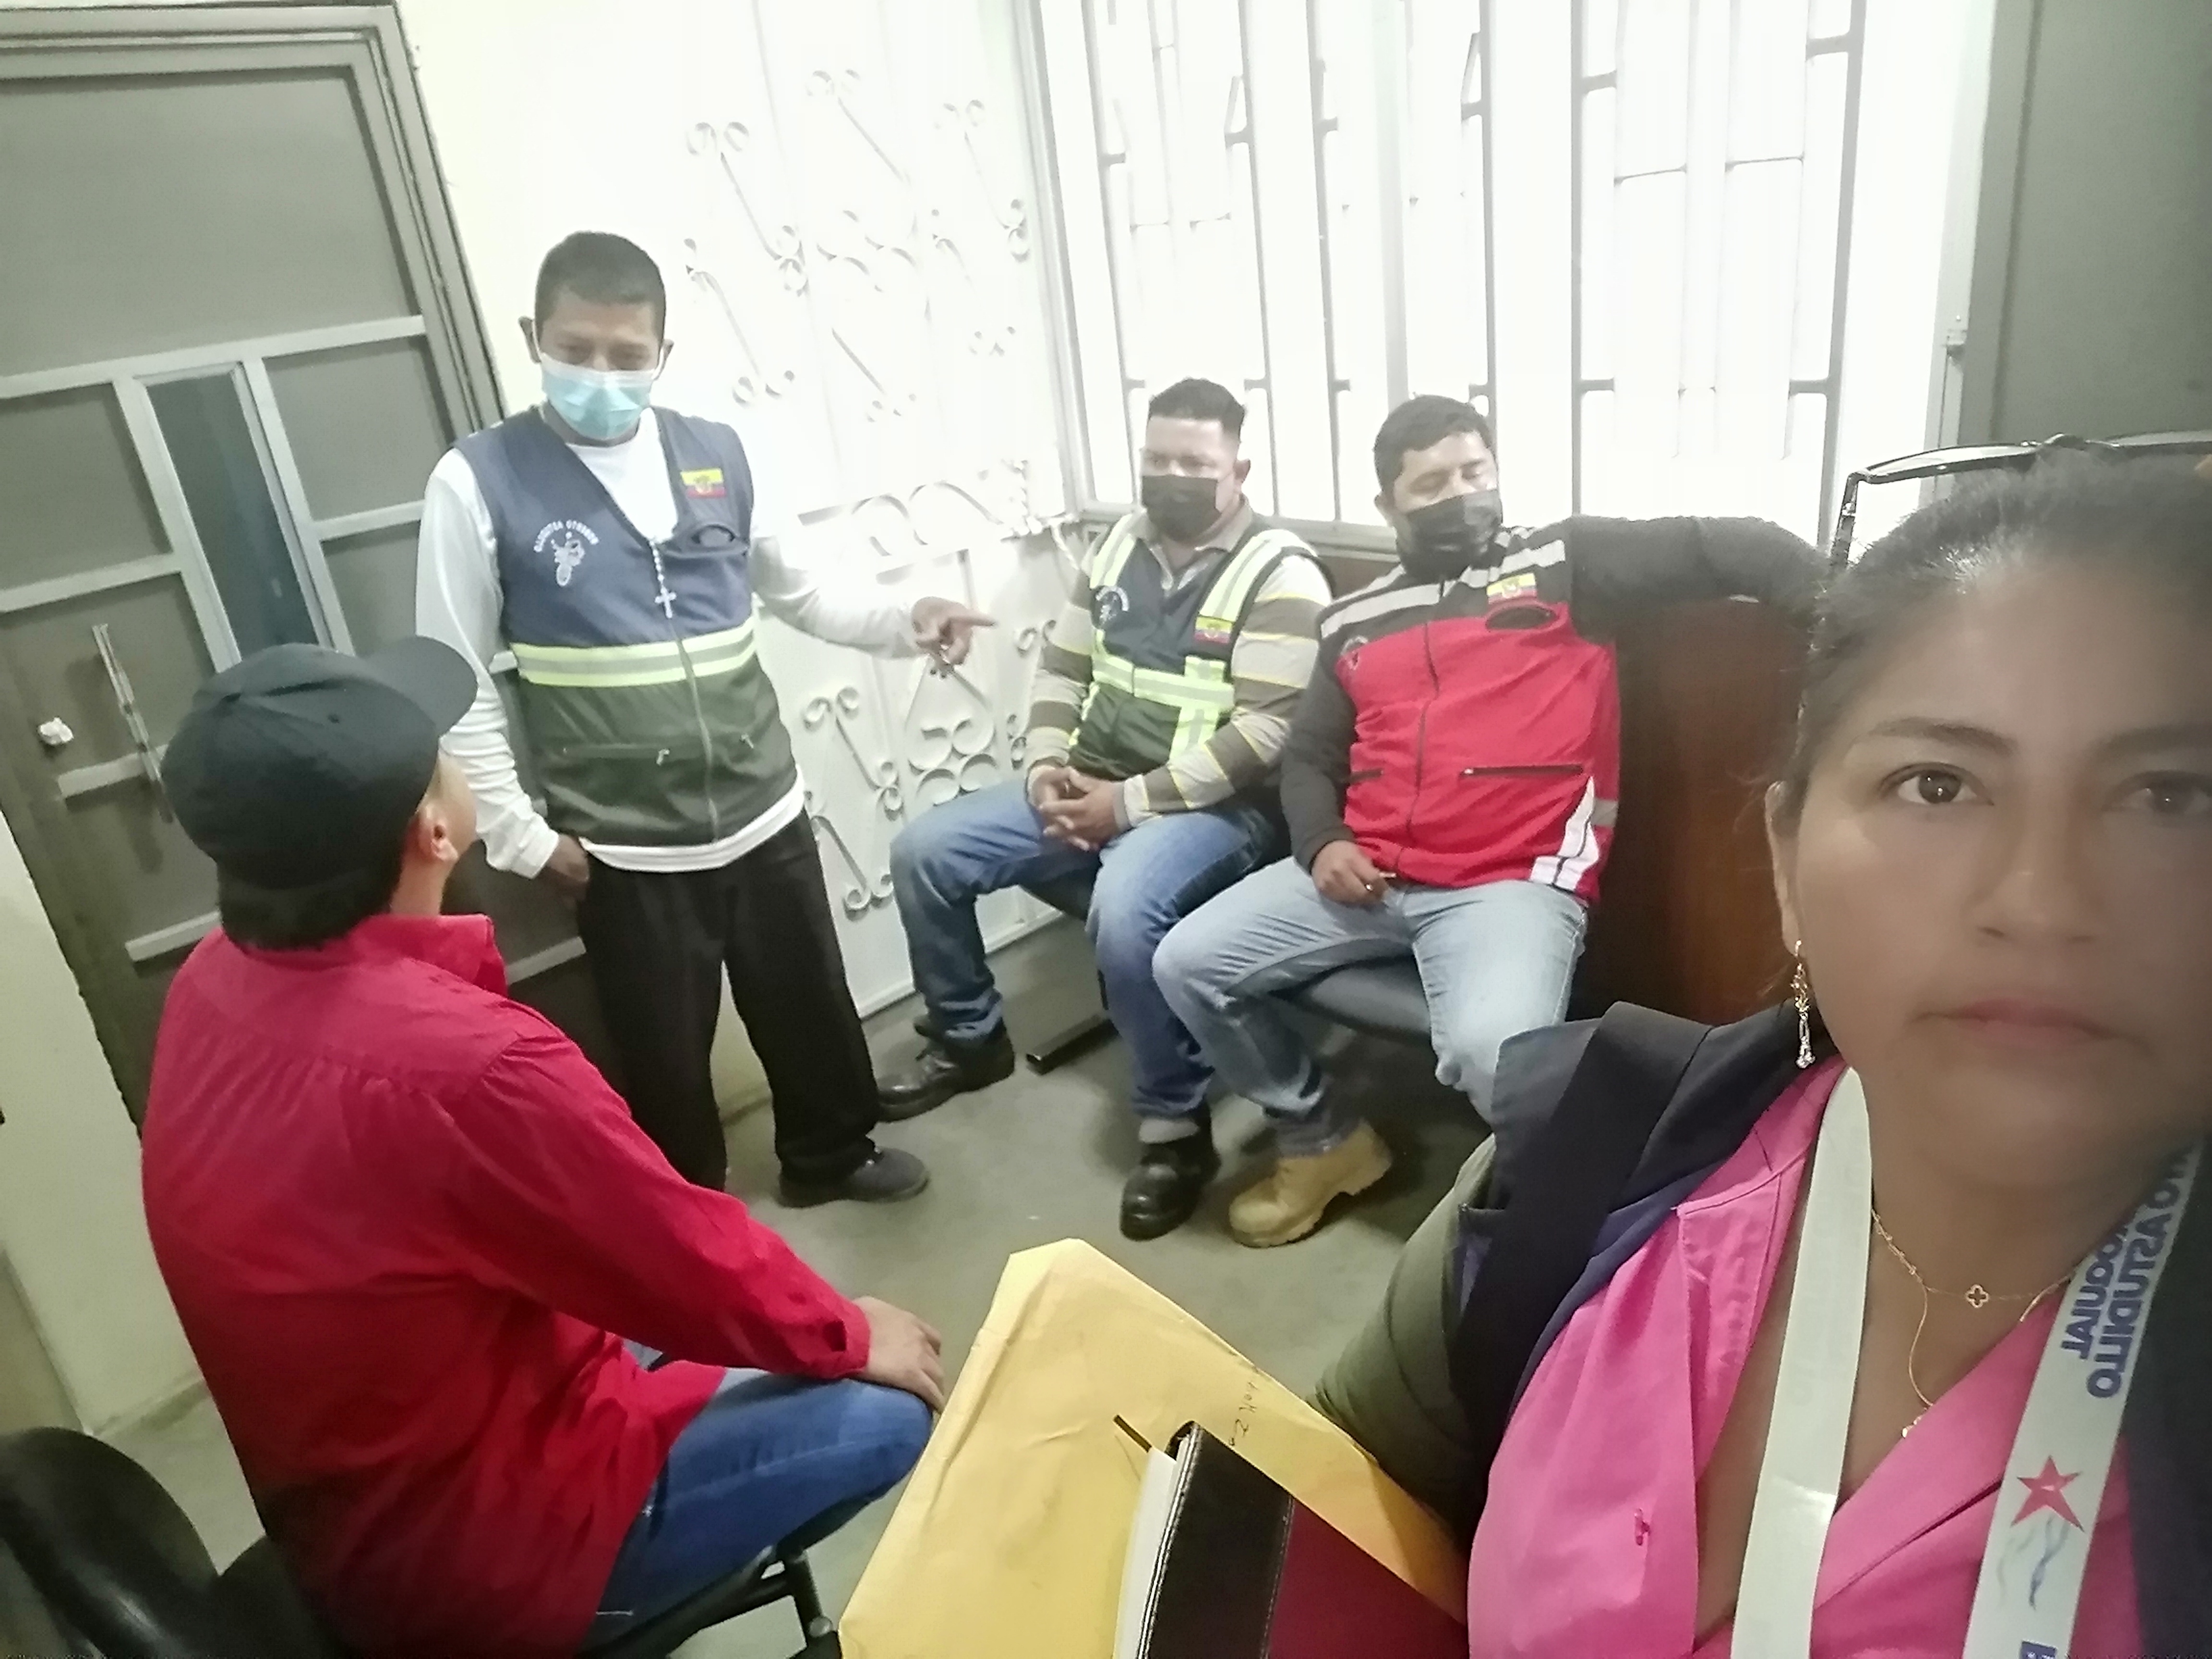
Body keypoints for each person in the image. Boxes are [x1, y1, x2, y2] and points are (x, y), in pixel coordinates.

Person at [1313, 457, 2212, 1657]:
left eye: (2170, 798)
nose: (2042, 902)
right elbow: (1320, 1521)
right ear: (1786, 861)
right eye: (1937, 784)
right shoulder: (1589, 1156)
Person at [139, 639, 945, 1659]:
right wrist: (850, 1334)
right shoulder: (465, 1068)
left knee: (708, 1311)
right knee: (884, 1410)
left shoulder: (212, 977)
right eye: (445, 751)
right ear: (435, 829)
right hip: (478, 1552)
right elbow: (676, 1252)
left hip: (357, 1484)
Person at [1155, 395, 1822, 1246]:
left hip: (1508, 882)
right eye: (1432, 484)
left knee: (1494, 1055)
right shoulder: (1352, 620)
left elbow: (1725, 545)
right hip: (1367, 875)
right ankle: (1323, 1141)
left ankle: (1561, 1232)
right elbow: (1310, 757)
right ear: (1388, 506)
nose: (1461, 495)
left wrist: (1847, 618)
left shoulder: (1566, 562)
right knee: (1186, 961)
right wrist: (1323, 843)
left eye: (1475, 472)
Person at [417, 230, 991, 1200]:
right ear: (533, 338)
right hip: (624, 844)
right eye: (577, 350)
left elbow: (805, 592)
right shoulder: (478, 480)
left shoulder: (719, 455)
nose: (602, 375)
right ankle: (691, 1214)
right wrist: (521, 837)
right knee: (664, 1053)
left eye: (627, 355)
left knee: (808, 1004)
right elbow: (454, 673)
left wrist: (909, 619)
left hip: (763, 809)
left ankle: (831, 1155)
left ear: (663, 354)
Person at [882, 379, 1331, 1238]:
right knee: (926, 853)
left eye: (1194, 462)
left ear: (1239, 470)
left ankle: (1174, 1127)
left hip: (1218, 812)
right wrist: (1048, 765)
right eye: (1157, 458)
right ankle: (969, 1037)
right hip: (1092, 778)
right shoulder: (1119, 544)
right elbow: (1064, 669)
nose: (1172, 476)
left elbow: (1267, 733)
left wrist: (1125, 807)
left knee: (1125, 915)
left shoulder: (1281, 572)